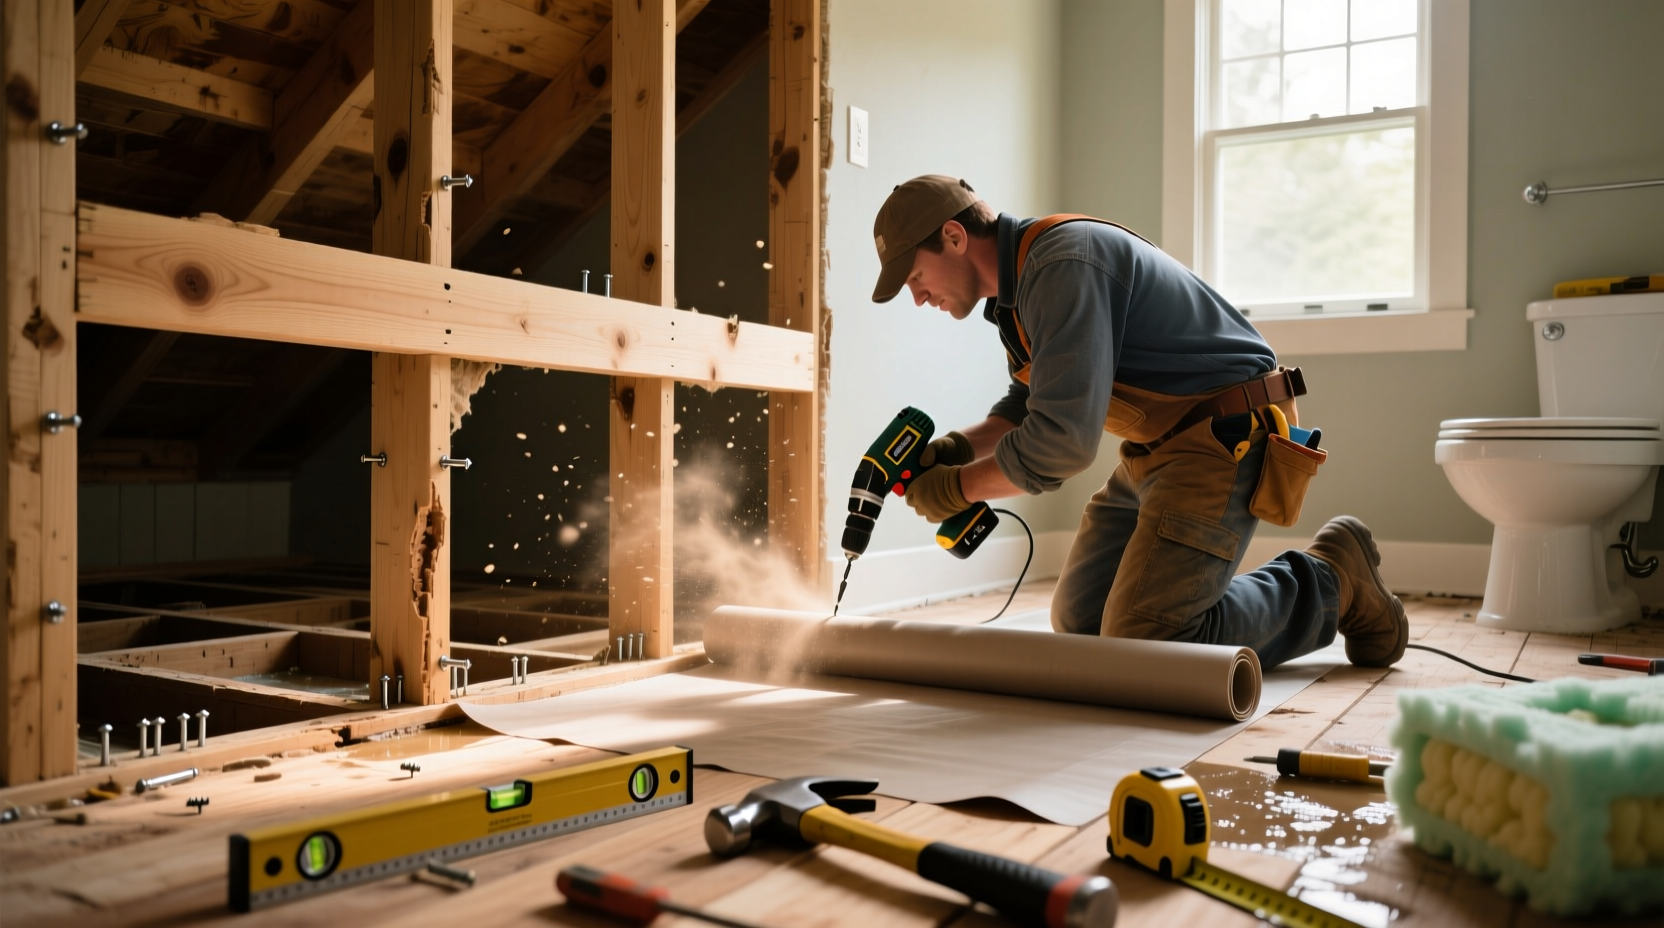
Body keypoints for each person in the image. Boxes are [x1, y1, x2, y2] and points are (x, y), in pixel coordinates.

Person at [869, 175, 1406, 669]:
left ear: (955, 237)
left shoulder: (1061, 264)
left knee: (1147, 641)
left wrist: (957, 489)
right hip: (1158, 449)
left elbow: (1061, 441)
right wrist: (960, 448)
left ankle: (1334, 578)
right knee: (1081, 622)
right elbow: (1029, 403)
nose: (917, 297)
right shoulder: (1018, 291)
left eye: (916, 276)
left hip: (1227, 435)